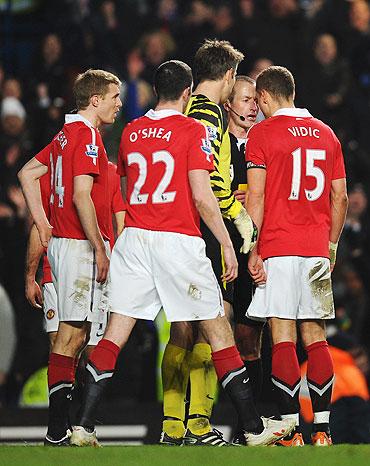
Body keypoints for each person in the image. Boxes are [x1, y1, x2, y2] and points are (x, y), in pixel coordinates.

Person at [69, 60, 294, 447]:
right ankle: (255, 430)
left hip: (136, 240)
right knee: (218, 330)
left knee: (113, 337)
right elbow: (204, 197)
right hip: (178, 240)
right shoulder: (193, 130)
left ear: (157, 91)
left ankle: (82, 426)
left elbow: (125, 189)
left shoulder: (132, 132)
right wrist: (226, 242)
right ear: (188, 93)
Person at [18, 69, 122, 446]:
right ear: (95, 99)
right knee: (71, 337)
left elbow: (27, 173)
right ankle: (58, 431)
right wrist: (98, 245)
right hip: (78, 246)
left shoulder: (64, 134)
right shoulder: (87, 135)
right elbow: (81, 196)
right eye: (114, 96)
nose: (118, 104)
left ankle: (61, 430)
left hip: (61, 245)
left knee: (72, 339)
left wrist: (44, 223)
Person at [161, 39, 257, 446]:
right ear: (228, 76)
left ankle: (173, 426)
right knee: (208, 329)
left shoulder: (184, 111)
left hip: (175, 226)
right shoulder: (208, 116)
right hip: (199, 232)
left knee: (184, 328)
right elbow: (211, 182)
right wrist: (238, 220)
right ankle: (198, 423)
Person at [246, 66, 348, 446]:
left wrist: (251, 247)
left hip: (278, 247)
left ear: (266, 97)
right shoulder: (327, 133)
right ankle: (322, 430)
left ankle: (290, 430)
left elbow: (255, 197)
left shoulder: (263, 133)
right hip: (317, 250)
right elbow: (339, 197)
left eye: (259, 101)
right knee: (316, 337)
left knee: (283, 336)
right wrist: (331, 246)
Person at [25, 161, 126, 351]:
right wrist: (30, 277)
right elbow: (40, 226)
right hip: (68, 270)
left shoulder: (109, 173)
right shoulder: (54, 172)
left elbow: (121, 227)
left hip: (91, 272)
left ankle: (71, 380)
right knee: (67, 345)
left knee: (78, 347)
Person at [223, 75, 266, 443]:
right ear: (228, 103)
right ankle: (194, 421)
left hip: (253, 255)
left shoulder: (264, 144)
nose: (253, 106)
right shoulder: (215, 145)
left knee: (249, 339)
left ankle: (251, 425)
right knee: (214, 333)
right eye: (246, 99)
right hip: (220, 251)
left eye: (256, 100)